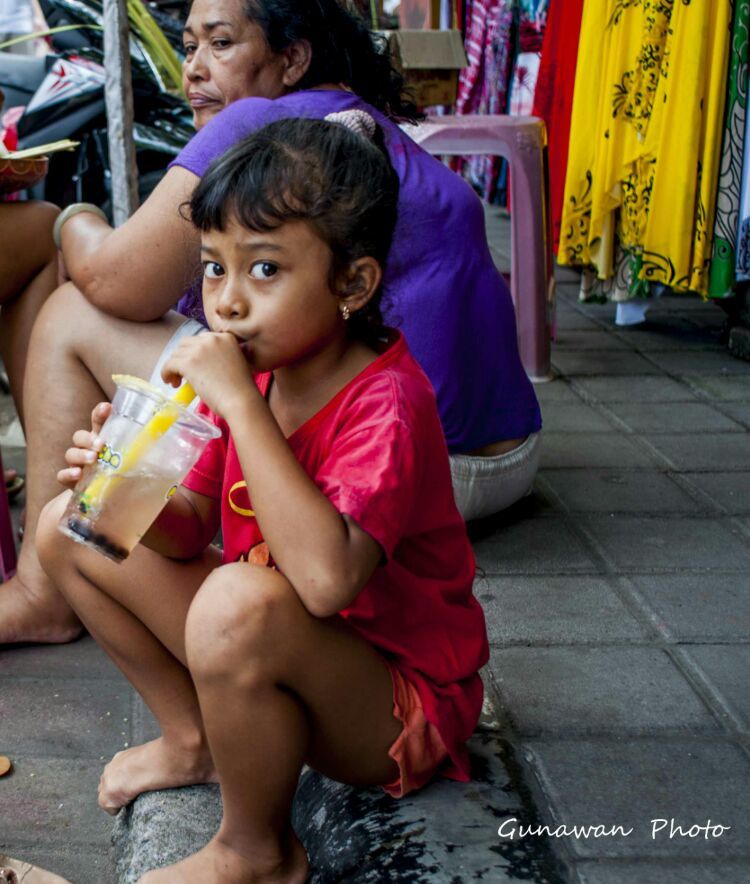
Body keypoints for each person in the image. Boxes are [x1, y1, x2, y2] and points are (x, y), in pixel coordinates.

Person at [37, 114, 490, 882]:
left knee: (235, 600)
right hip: (278, 642)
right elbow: (187, 533)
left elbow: (325, 582)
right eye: (214, 268)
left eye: (266, 269)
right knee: (69, 529)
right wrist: (119, 486)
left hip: (390, 703)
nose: (227, 302)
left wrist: (242, 406)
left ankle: (256, 851)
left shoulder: (386, 405)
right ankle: (195, 739)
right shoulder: (254, 372)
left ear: (353, 284)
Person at [2, 0, 540, 645]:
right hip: (506, 457)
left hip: (402, 471)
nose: (193, 69)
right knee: (96, 529)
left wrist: (69, 218)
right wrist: (122, 488)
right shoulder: (361, 127)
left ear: (292, 59)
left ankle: (39, 594)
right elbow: (188, 525)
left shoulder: (261, 128)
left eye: (220, 43)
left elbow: (114, 279)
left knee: (69, 309)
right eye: (188, 46)